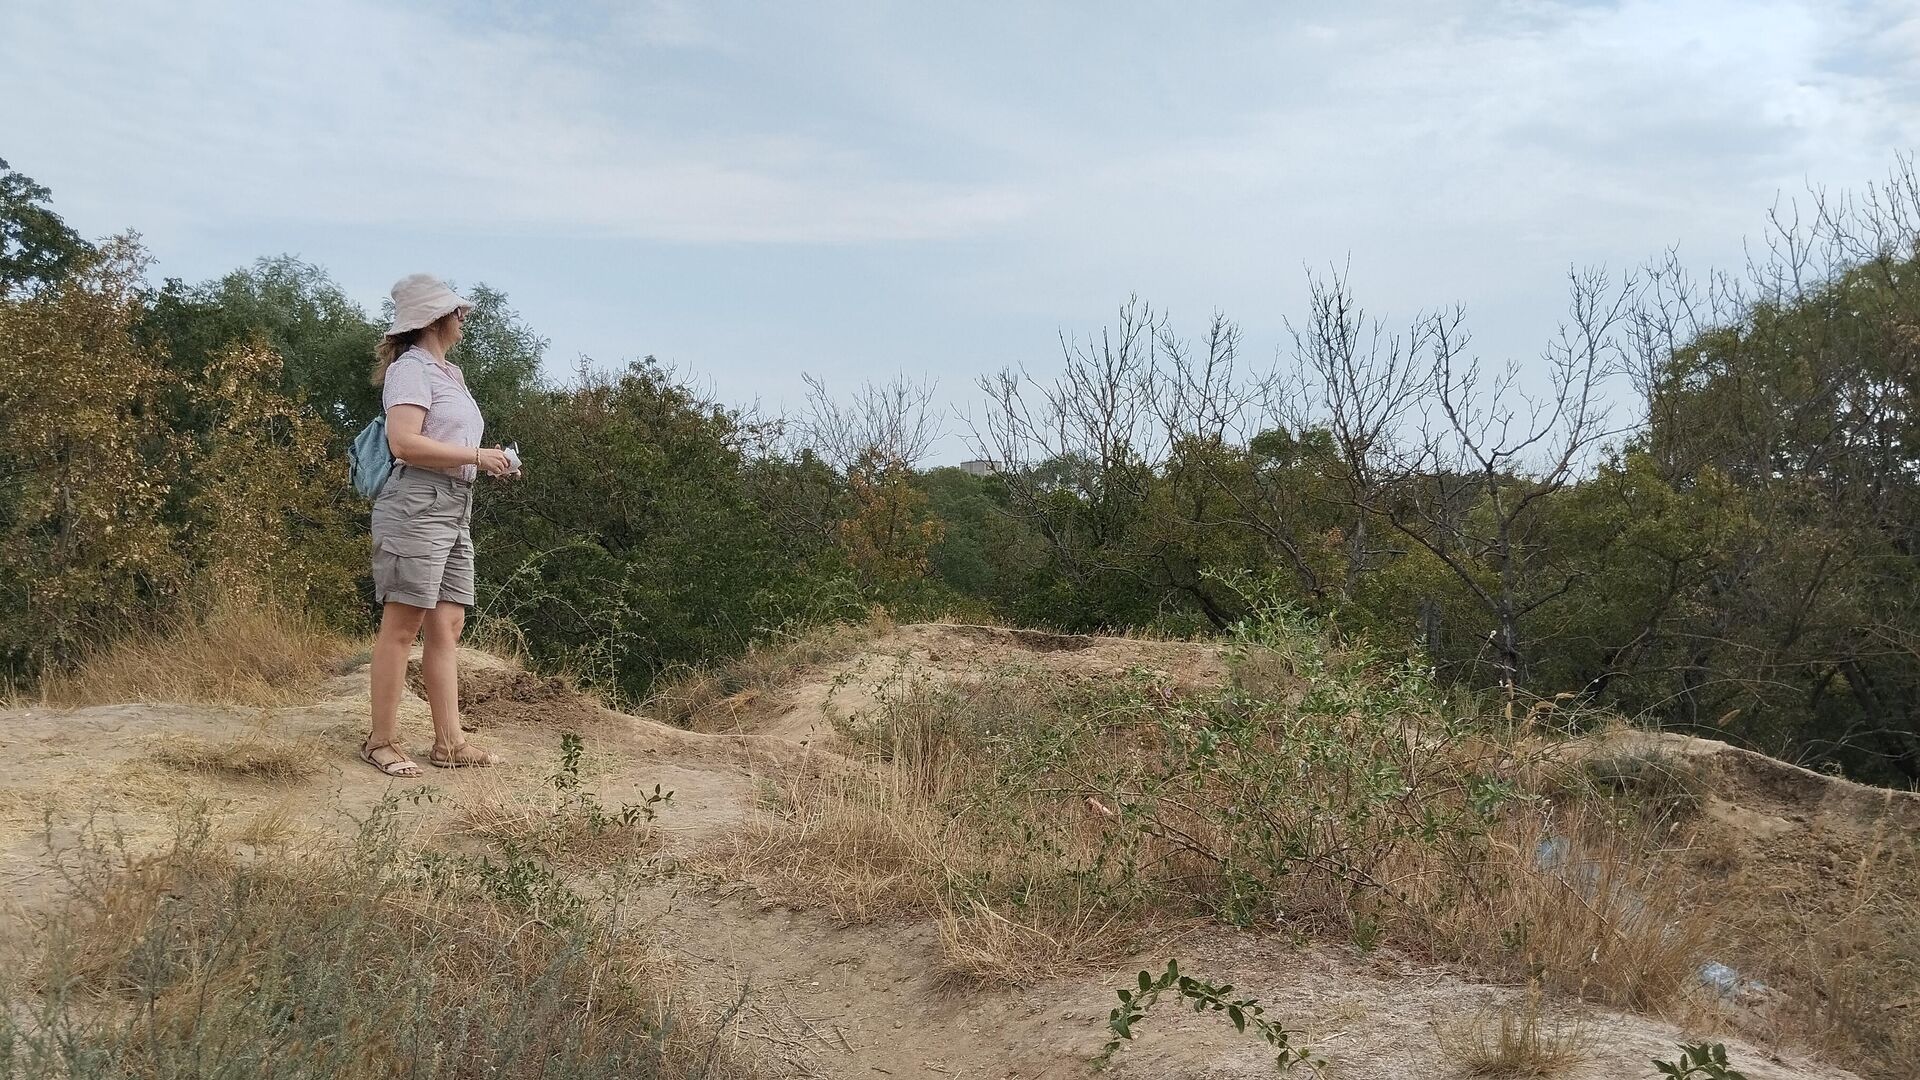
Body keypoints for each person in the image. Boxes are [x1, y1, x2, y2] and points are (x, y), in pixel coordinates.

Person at [360, 273, 518, 776]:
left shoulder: (450, 373)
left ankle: (449, 743)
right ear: (437, 319)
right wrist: (475, 454)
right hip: (417, 503)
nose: (464, 319)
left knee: (447, 624)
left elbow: (448, 444)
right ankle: (380, 741)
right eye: (459, 312)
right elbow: (404, 443)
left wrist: (486, 463)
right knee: (403, 625)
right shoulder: (411, 370)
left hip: (455, 503)